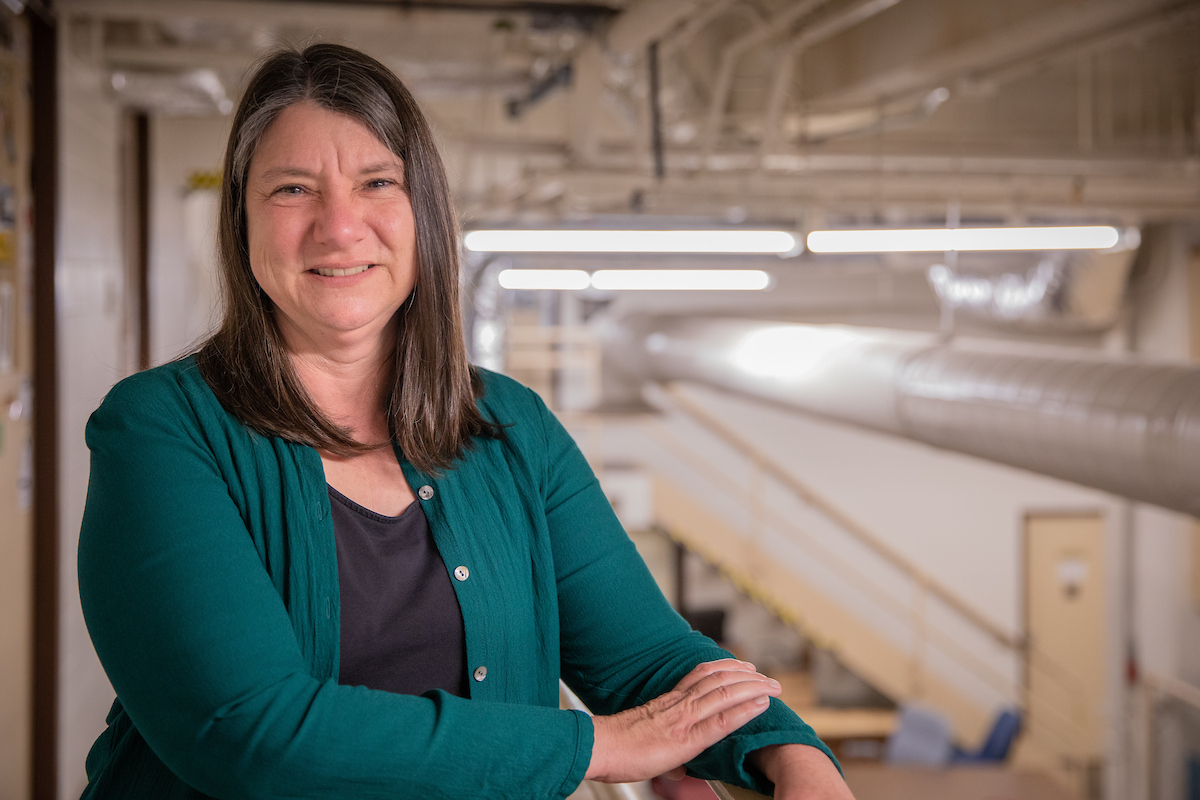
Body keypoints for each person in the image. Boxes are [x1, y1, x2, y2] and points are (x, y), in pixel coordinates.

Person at [77, 43, 855, 800]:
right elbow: (248, 732)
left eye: (378, 182)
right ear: (241, 219)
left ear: (425, 212)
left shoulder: (510, 427)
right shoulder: (161, 432)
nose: (340, 227)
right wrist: (604, 746)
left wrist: (793, 754)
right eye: (292, 190)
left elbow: (645, 657)